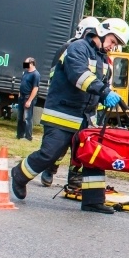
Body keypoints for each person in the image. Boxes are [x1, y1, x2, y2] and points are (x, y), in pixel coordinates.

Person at [10, 17, 129, 214]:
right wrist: (104, 92)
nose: (112, 47)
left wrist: (108, 98)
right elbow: (79, 76)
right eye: (112, 41)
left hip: (84, 118)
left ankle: (93, 201)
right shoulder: (77, 48)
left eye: (115, 44)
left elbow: (98, 89)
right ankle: (19, 175)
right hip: (62, 113)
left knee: (93, 158)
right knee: (50, 154)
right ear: (102, 31)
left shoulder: (104, 61)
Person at [39, 16, 103, 188]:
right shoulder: (69, 48)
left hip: (87, 111)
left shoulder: (98, 55)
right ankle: (50, 170)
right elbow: (57, 76)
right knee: (58, 145)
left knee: (81, 148)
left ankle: (74, 179)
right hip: (66, 105)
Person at [16, 57, 40, 141]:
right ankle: (20, 135)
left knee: (27, 118)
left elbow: (35, 88)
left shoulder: (36, 74)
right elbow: (22, 83)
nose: (24, 65)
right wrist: (19, 93)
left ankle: (28, 136)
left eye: (26, 63)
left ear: (32, 63)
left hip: (28, 97)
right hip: (21, 96)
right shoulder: (25, 72)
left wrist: (29, 100)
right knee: (20, 117)